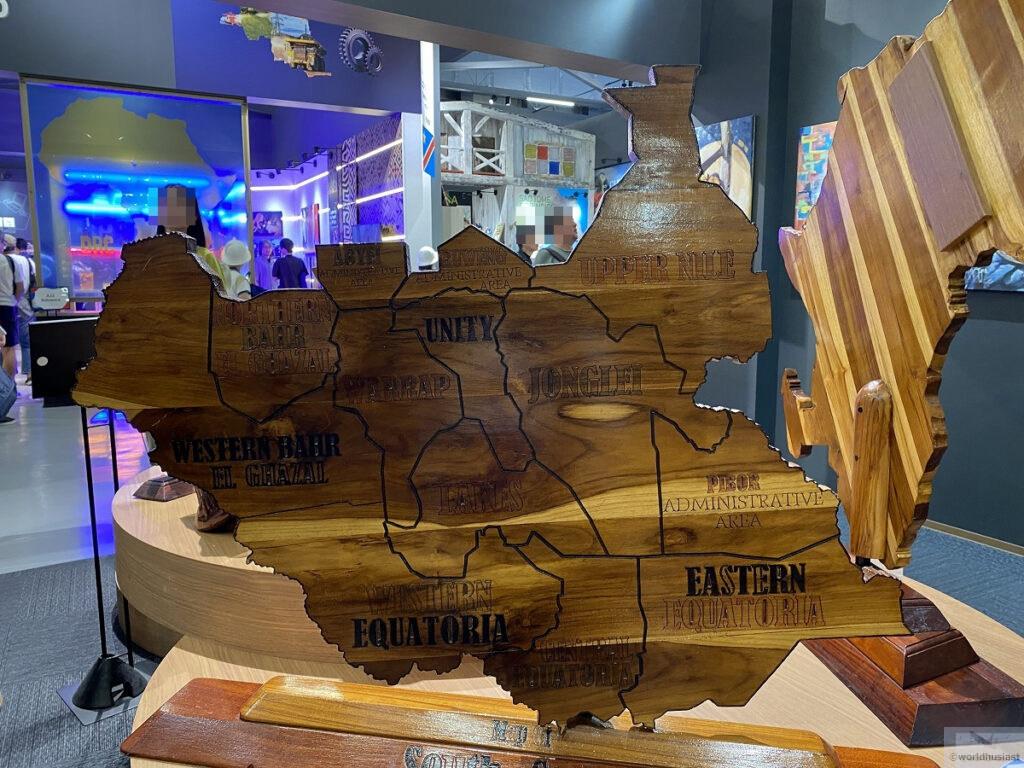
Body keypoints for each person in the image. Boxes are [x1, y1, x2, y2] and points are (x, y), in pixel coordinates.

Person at [0, 241, 24, 380]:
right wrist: (15, 301)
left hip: (7, 305)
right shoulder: (10, 261)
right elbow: (20, 287)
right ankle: (8, 386)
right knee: (9, 348)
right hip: (7, 306)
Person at [14, 238, 36, 384]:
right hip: (25, 304)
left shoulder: (6, 261)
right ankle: (29, 375)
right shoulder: (29, 262)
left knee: (7, 345)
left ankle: (6, 379)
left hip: (7, 304)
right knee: (27, 343)